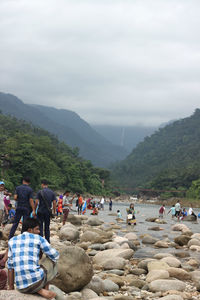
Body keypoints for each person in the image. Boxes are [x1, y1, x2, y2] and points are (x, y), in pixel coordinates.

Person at [7, 217, 59, 299]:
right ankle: (43, 290)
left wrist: (10, 288)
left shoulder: (12, 240)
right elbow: (55, 255)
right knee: (52, 260)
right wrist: (43, 252)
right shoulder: (38, 238)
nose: (39, 232)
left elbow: (10, 267)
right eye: (37, 229)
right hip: (36, 281)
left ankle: (38, 290)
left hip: (20, 286)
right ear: (30, 230)